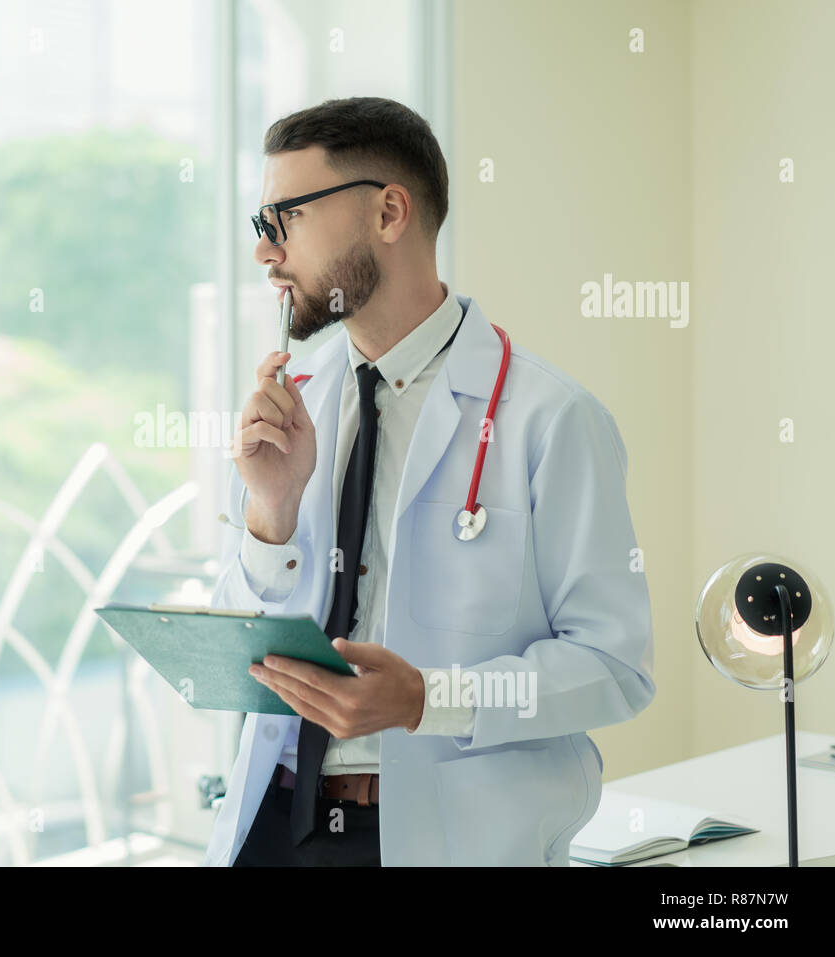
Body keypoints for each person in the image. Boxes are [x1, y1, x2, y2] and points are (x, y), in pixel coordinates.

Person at [206, 96, 655, 867]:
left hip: (440, 842)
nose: (266, 253)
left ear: (389, 212)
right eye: (261, 225)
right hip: (276, 825)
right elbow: (242, 653)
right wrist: (270, 515)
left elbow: (615, 667)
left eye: (286, 219)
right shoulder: (295, 413)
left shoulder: (551, 419)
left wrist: (427, 700)